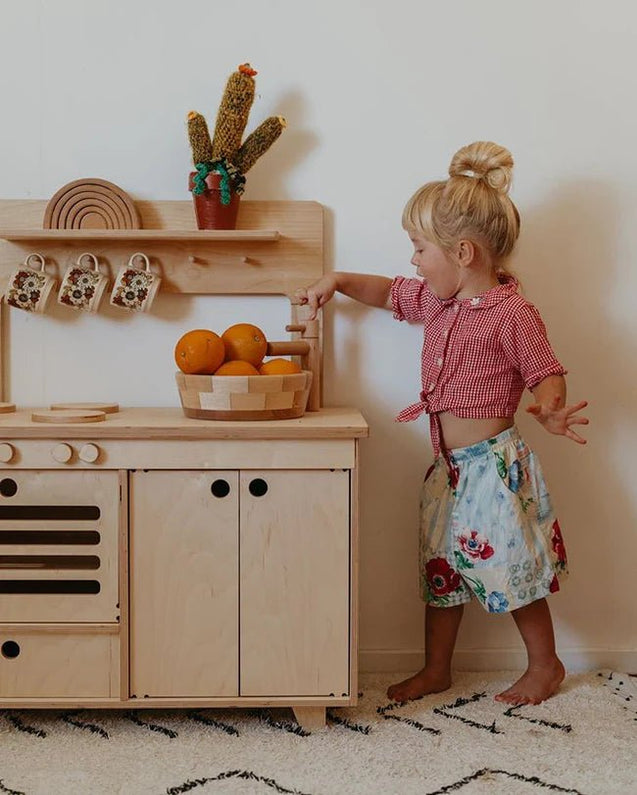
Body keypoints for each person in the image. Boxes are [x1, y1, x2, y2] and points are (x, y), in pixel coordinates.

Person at [295, 141, 588, 707]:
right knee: (441, 570)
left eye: (418, 247)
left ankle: (545, 664)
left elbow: (545, 370)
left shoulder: (512, 312)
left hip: (494, 469)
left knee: (512, 566)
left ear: (463, 251)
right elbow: (386, 292)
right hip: (447, 469)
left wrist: (551, 407)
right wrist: (335, 279)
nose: (413, 261)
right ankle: (437, 668)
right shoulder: (438, 301)